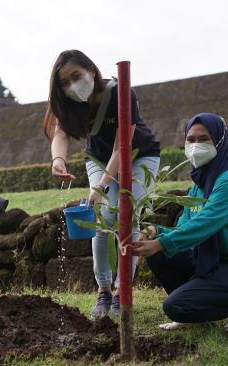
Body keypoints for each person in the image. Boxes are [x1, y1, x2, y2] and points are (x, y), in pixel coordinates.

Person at [43, 50, 162, 319]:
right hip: (97, 157)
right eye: (64, 82)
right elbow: (60, 133)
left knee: (126, 215)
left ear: (91, 71)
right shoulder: (71, 103)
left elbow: (123, 147)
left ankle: (123, 290)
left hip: (139, 155)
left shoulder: (121, 93)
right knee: (101, 217)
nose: (72, 85)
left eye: (76, 76)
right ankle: (104, 289)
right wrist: (58, 160)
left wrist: (101, 187)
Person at [132, 113, 228, 332]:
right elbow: (184, 228)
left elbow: (204, 225)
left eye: (204, 138)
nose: (196, 145)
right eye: (191, 139)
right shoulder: (198, 185)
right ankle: (199, 309)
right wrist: (155, 231)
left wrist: (161, 243)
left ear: (219, 139)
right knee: (160, 252)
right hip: (214, 263)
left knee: (175, 306)